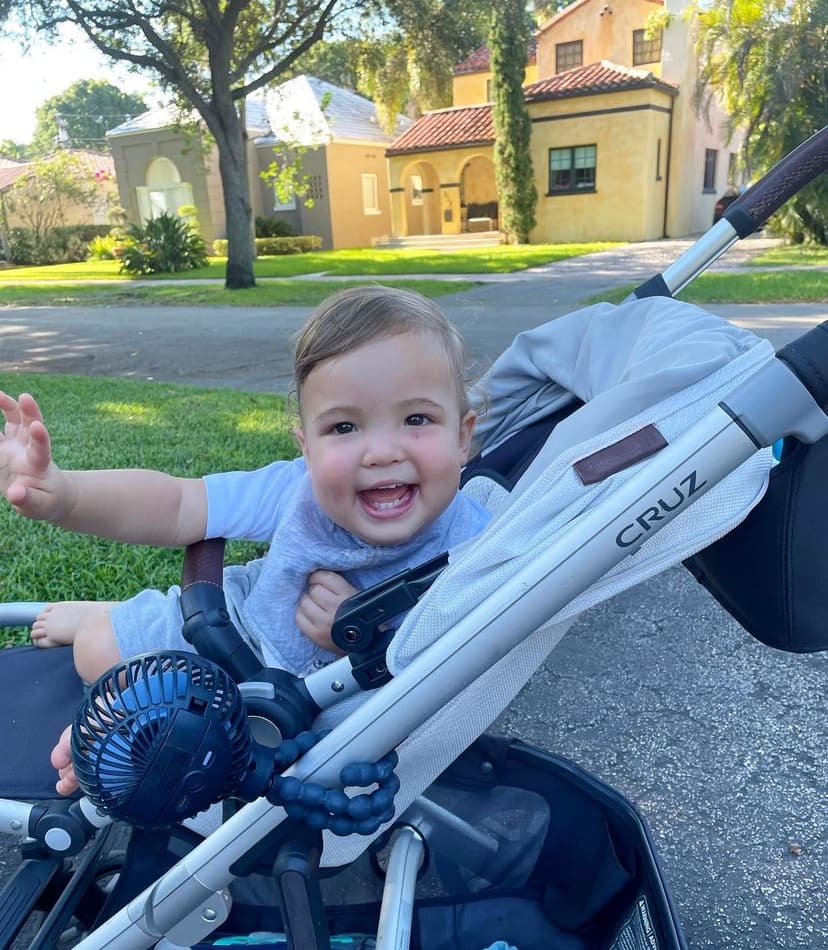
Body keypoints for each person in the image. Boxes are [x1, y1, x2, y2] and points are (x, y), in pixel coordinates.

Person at [0, 285, 491, 794]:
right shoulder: (299, 488)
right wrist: (66, 495)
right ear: (308, 446)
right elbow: (180, 504)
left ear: (462, 436)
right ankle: (98, 616)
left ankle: (119, 703)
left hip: (304, 703)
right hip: (238, 628)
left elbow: (451, 670)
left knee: (137, 718)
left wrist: (365, 639)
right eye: (344, 427)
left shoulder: (475, 550)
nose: (381, 451)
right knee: (94, 649)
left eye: (417, 419)